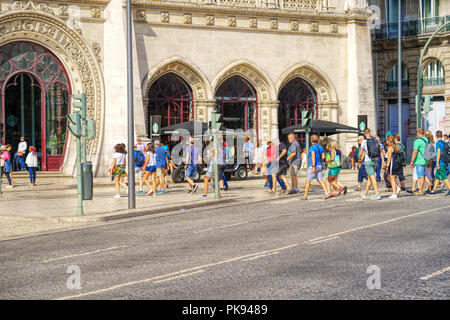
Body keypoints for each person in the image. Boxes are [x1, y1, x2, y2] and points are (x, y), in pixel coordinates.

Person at [303, 134, 330, 200]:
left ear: (311, 141)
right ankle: (326, 192)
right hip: (319, 165)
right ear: (317, 140)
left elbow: (313, 157)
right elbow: (323, 157)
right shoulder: (320, 147)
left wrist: (313, 167)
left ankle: (305, 195)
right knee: (319, 180)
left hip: (313, 166)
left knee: (308, 180)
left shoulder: (312, 148)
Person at [359, 128, 383, 200]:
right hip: (375, 160)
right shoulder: (376, 140)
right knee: (370, 177)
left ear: (364, 134)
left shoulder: (364, 141)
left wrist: (360, 159)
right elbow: (380, 150)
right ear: (370, 132)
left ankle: (377, 193)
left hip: (368, 160)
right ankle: (365, 193)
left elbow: (361, 152)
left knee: (372, 177)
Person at [428, 131, 450, 195]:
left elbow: (439, 153)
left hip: (441, 162)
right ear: (442, 136)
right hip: (445, 161)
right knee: (437, 177)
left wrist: (437, 163)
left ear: (436, 136)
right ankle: (433, 190)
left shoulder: (438, 143)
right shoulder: (444, 142)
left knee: (444, 177)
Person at [410, 128, 429, 196]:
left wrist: (412, 160)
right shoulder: (427, 140)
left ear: (418, 133)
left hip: (419, 160)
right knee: (422, 176)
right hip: (425, 160)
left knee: (420, 177)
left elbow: (415, 151)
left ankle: (420, 190)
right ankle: (421, 189)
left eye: (417, 133)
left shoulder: (417, 141)